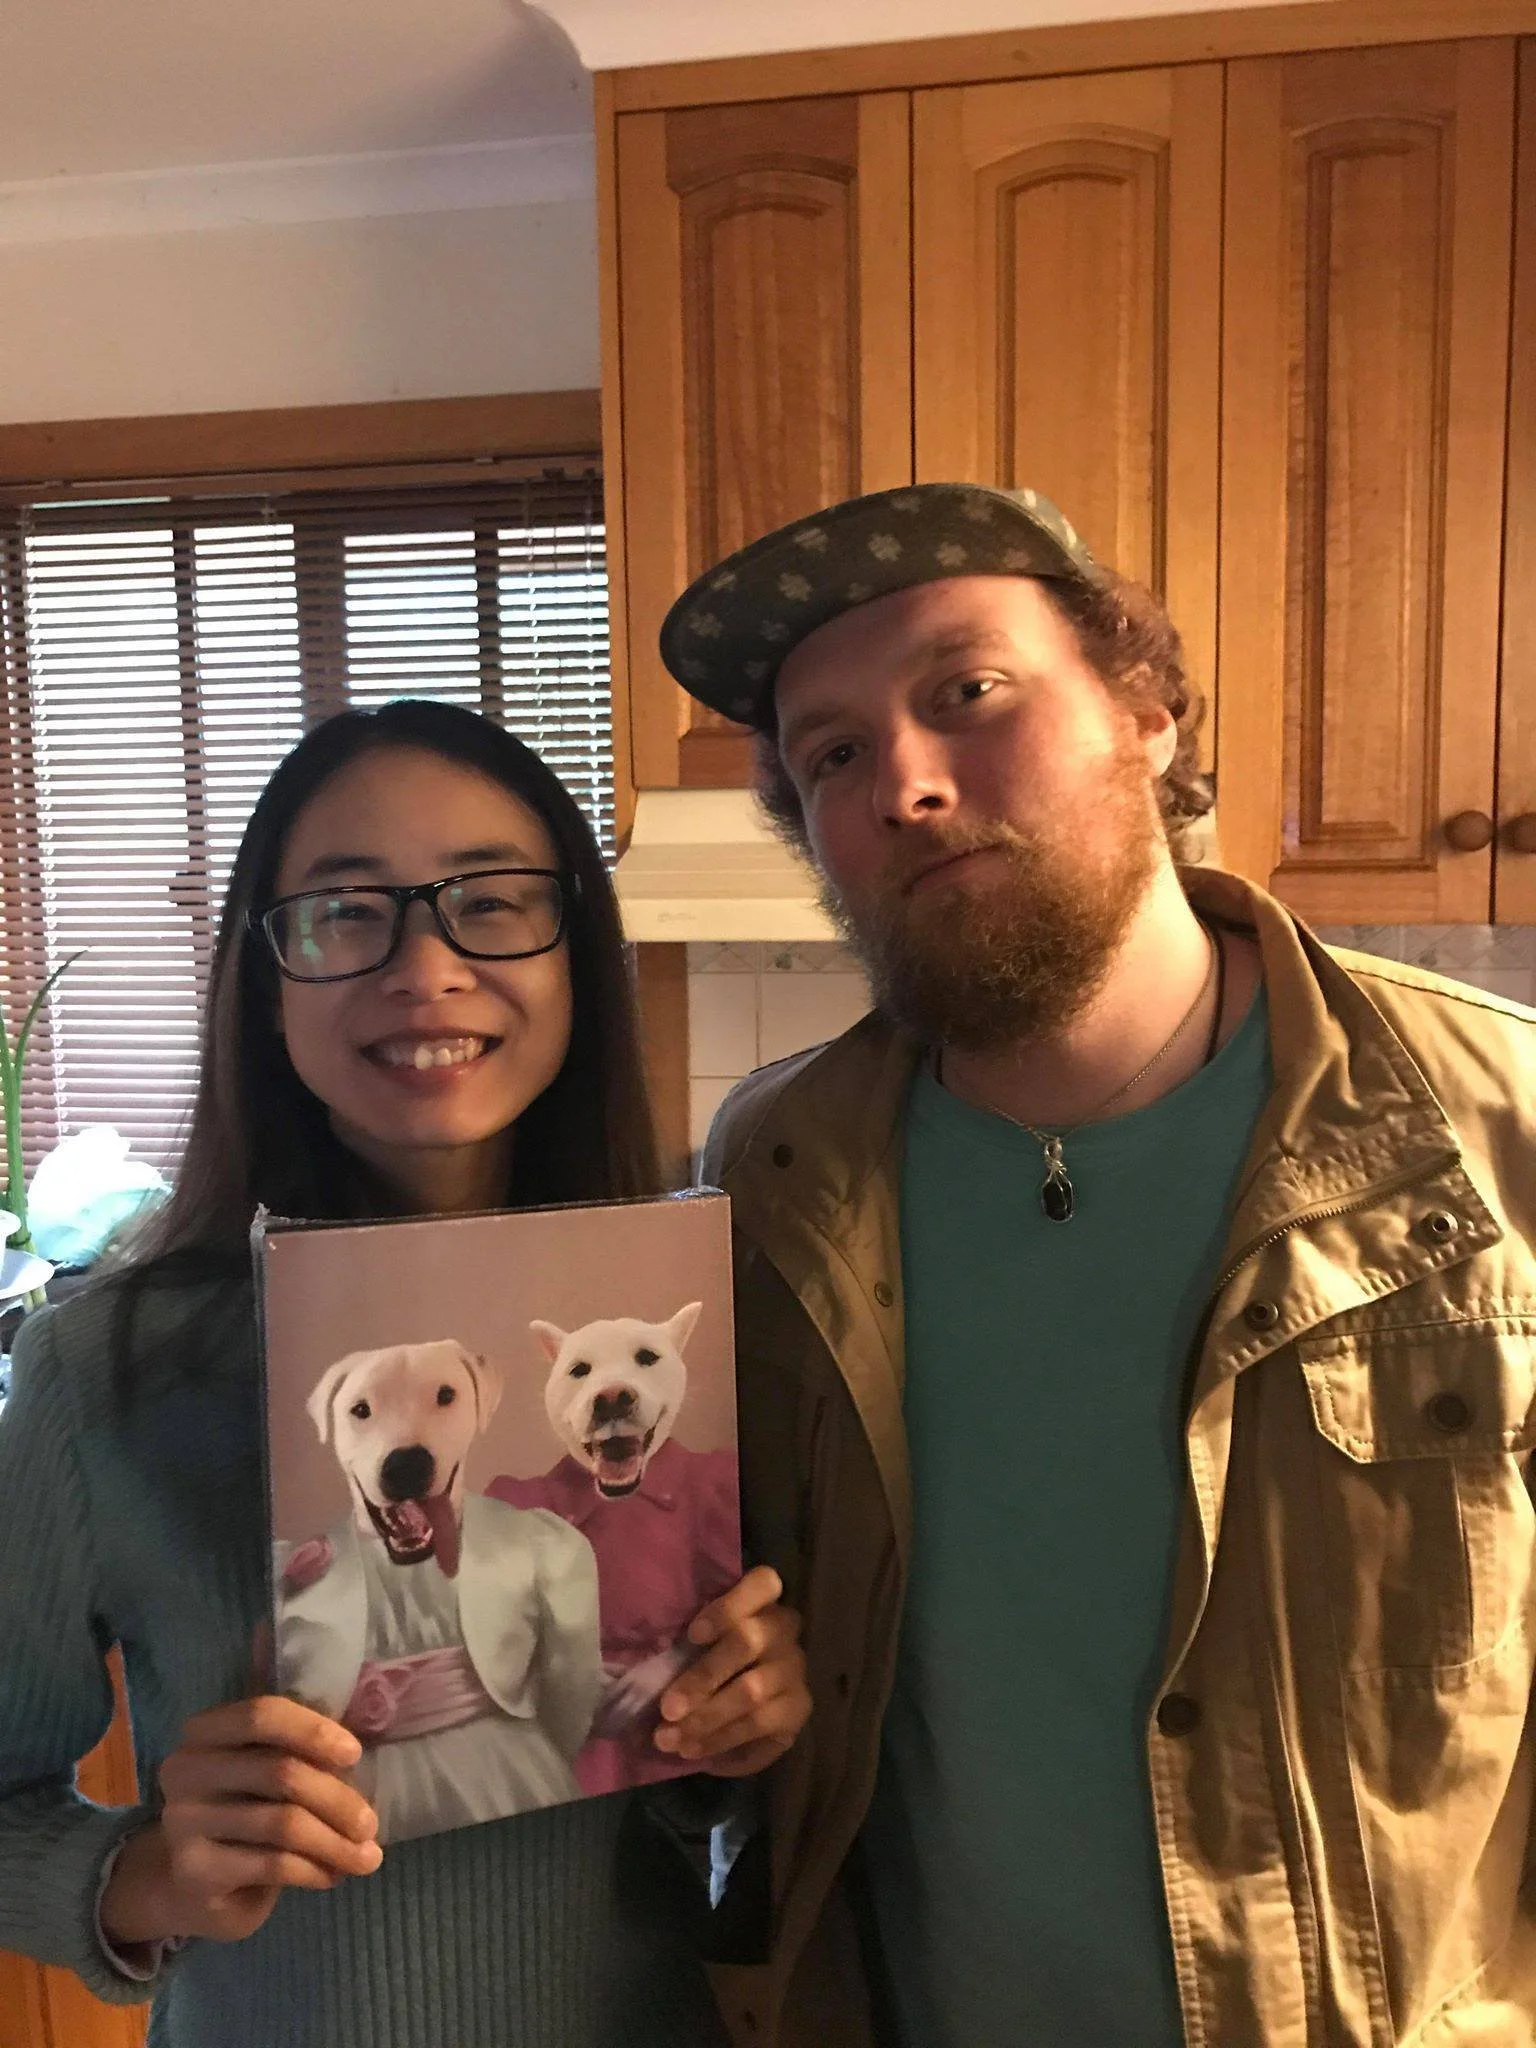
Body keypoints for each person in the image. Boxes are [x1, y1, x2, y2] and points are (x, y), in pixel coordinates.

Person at [658, 483, 1536, 2047]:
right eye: (836, 755)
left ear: (1145, 712)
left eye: (966, 693)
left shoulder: (1492, 1138)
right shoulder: (773, 1181)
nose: (908, 785)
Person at [0, 698, 810, 2048]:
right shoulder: (108, 1371)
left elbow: (699, 1803)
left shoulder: (697, 1341)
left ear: (575, 957)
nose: (425, 968)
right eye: (345, 913)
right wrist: (148, 1875)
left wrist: (739, 1728)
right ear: (266, 978)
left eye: (492, 904)